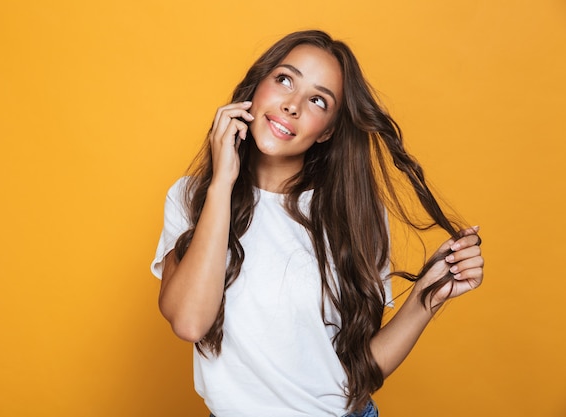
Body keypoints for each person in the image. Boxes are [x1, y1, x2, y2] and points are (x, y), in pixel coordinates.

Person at [151, 30, 484, 417]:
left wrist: (429, 295)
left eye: (317, 101)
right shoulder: (192, 197)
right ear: (257, 87)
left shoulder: (356, 216)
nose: (292, 105)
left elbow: (357, 374)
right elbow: (190, 322)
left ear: (327, 130)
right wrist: (222, 183)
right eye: (285, 79)